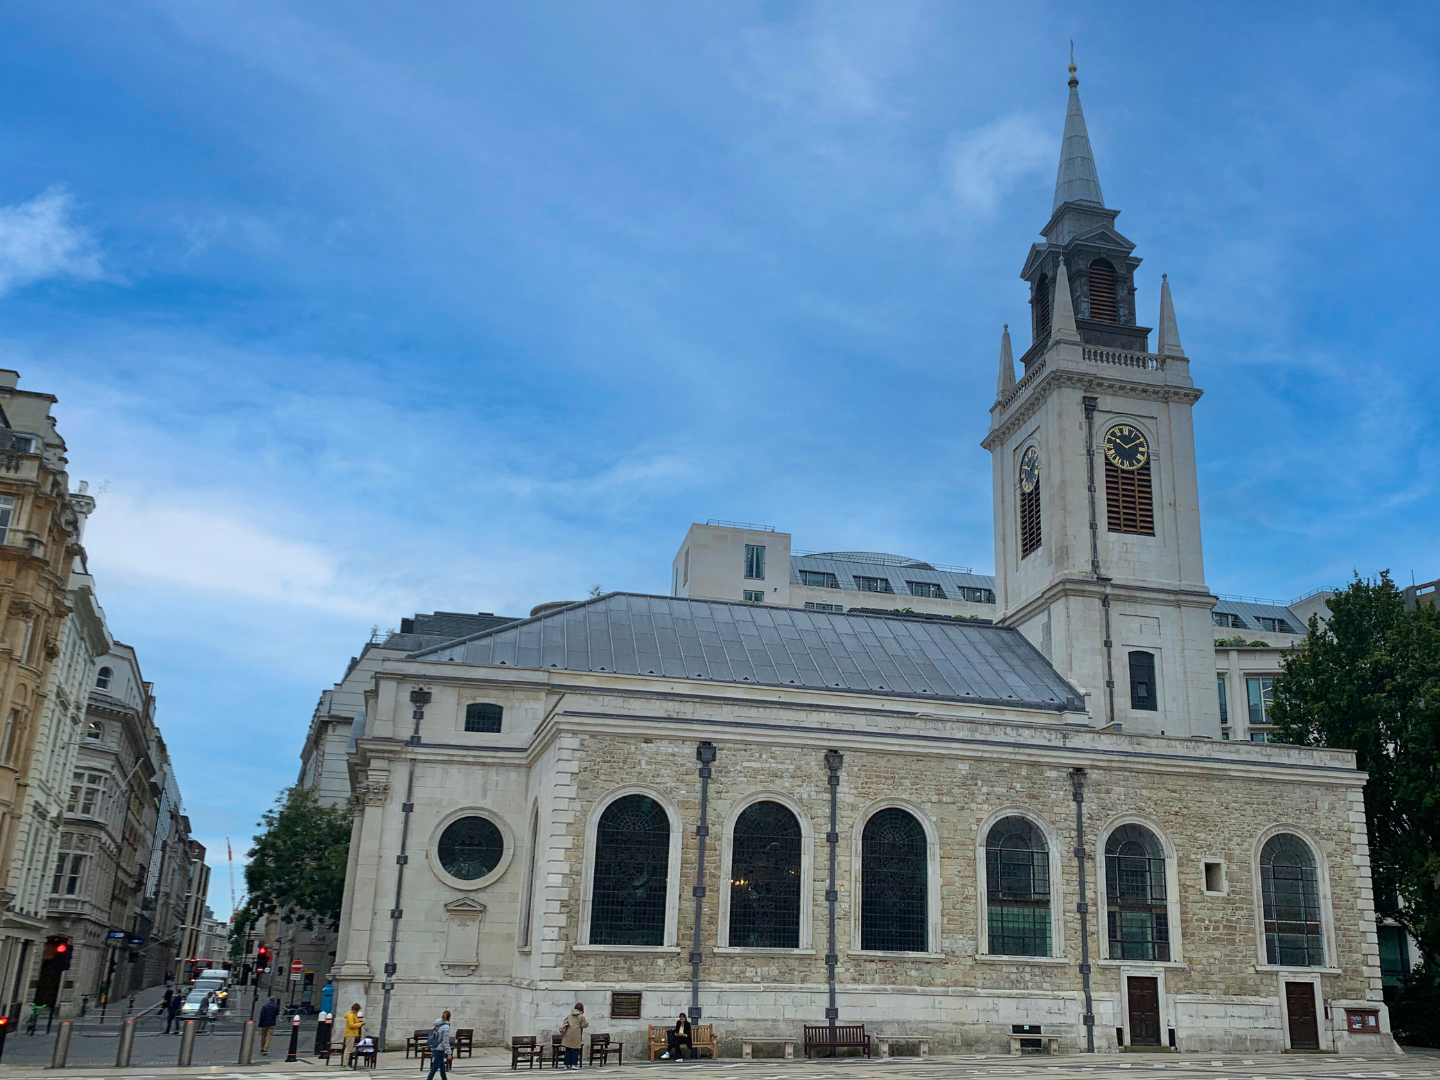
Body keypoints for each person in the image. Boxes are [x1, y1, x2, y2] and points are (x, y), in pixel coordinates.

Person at [559, 1002, 587, 1069]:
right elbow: (584, 1025)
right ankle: (574, 1064)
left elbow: (565, 1023)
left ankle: (566, 1064)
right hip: (576, 1034)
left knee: (568, 1049)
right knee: (575, 1049)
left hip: (568, 1033)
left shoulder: (569, 1015)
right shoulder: (581, 1016)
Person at [426, 1011, 452, 1080]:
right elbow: (445, 1041)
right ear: (449, 1017)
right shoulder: (446, 1027)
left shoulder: (437, 1025)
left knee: (442, 1068)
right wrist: (449, 1052)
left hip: (434, 1046)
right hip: (439, 1049)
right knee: (434, 1068)